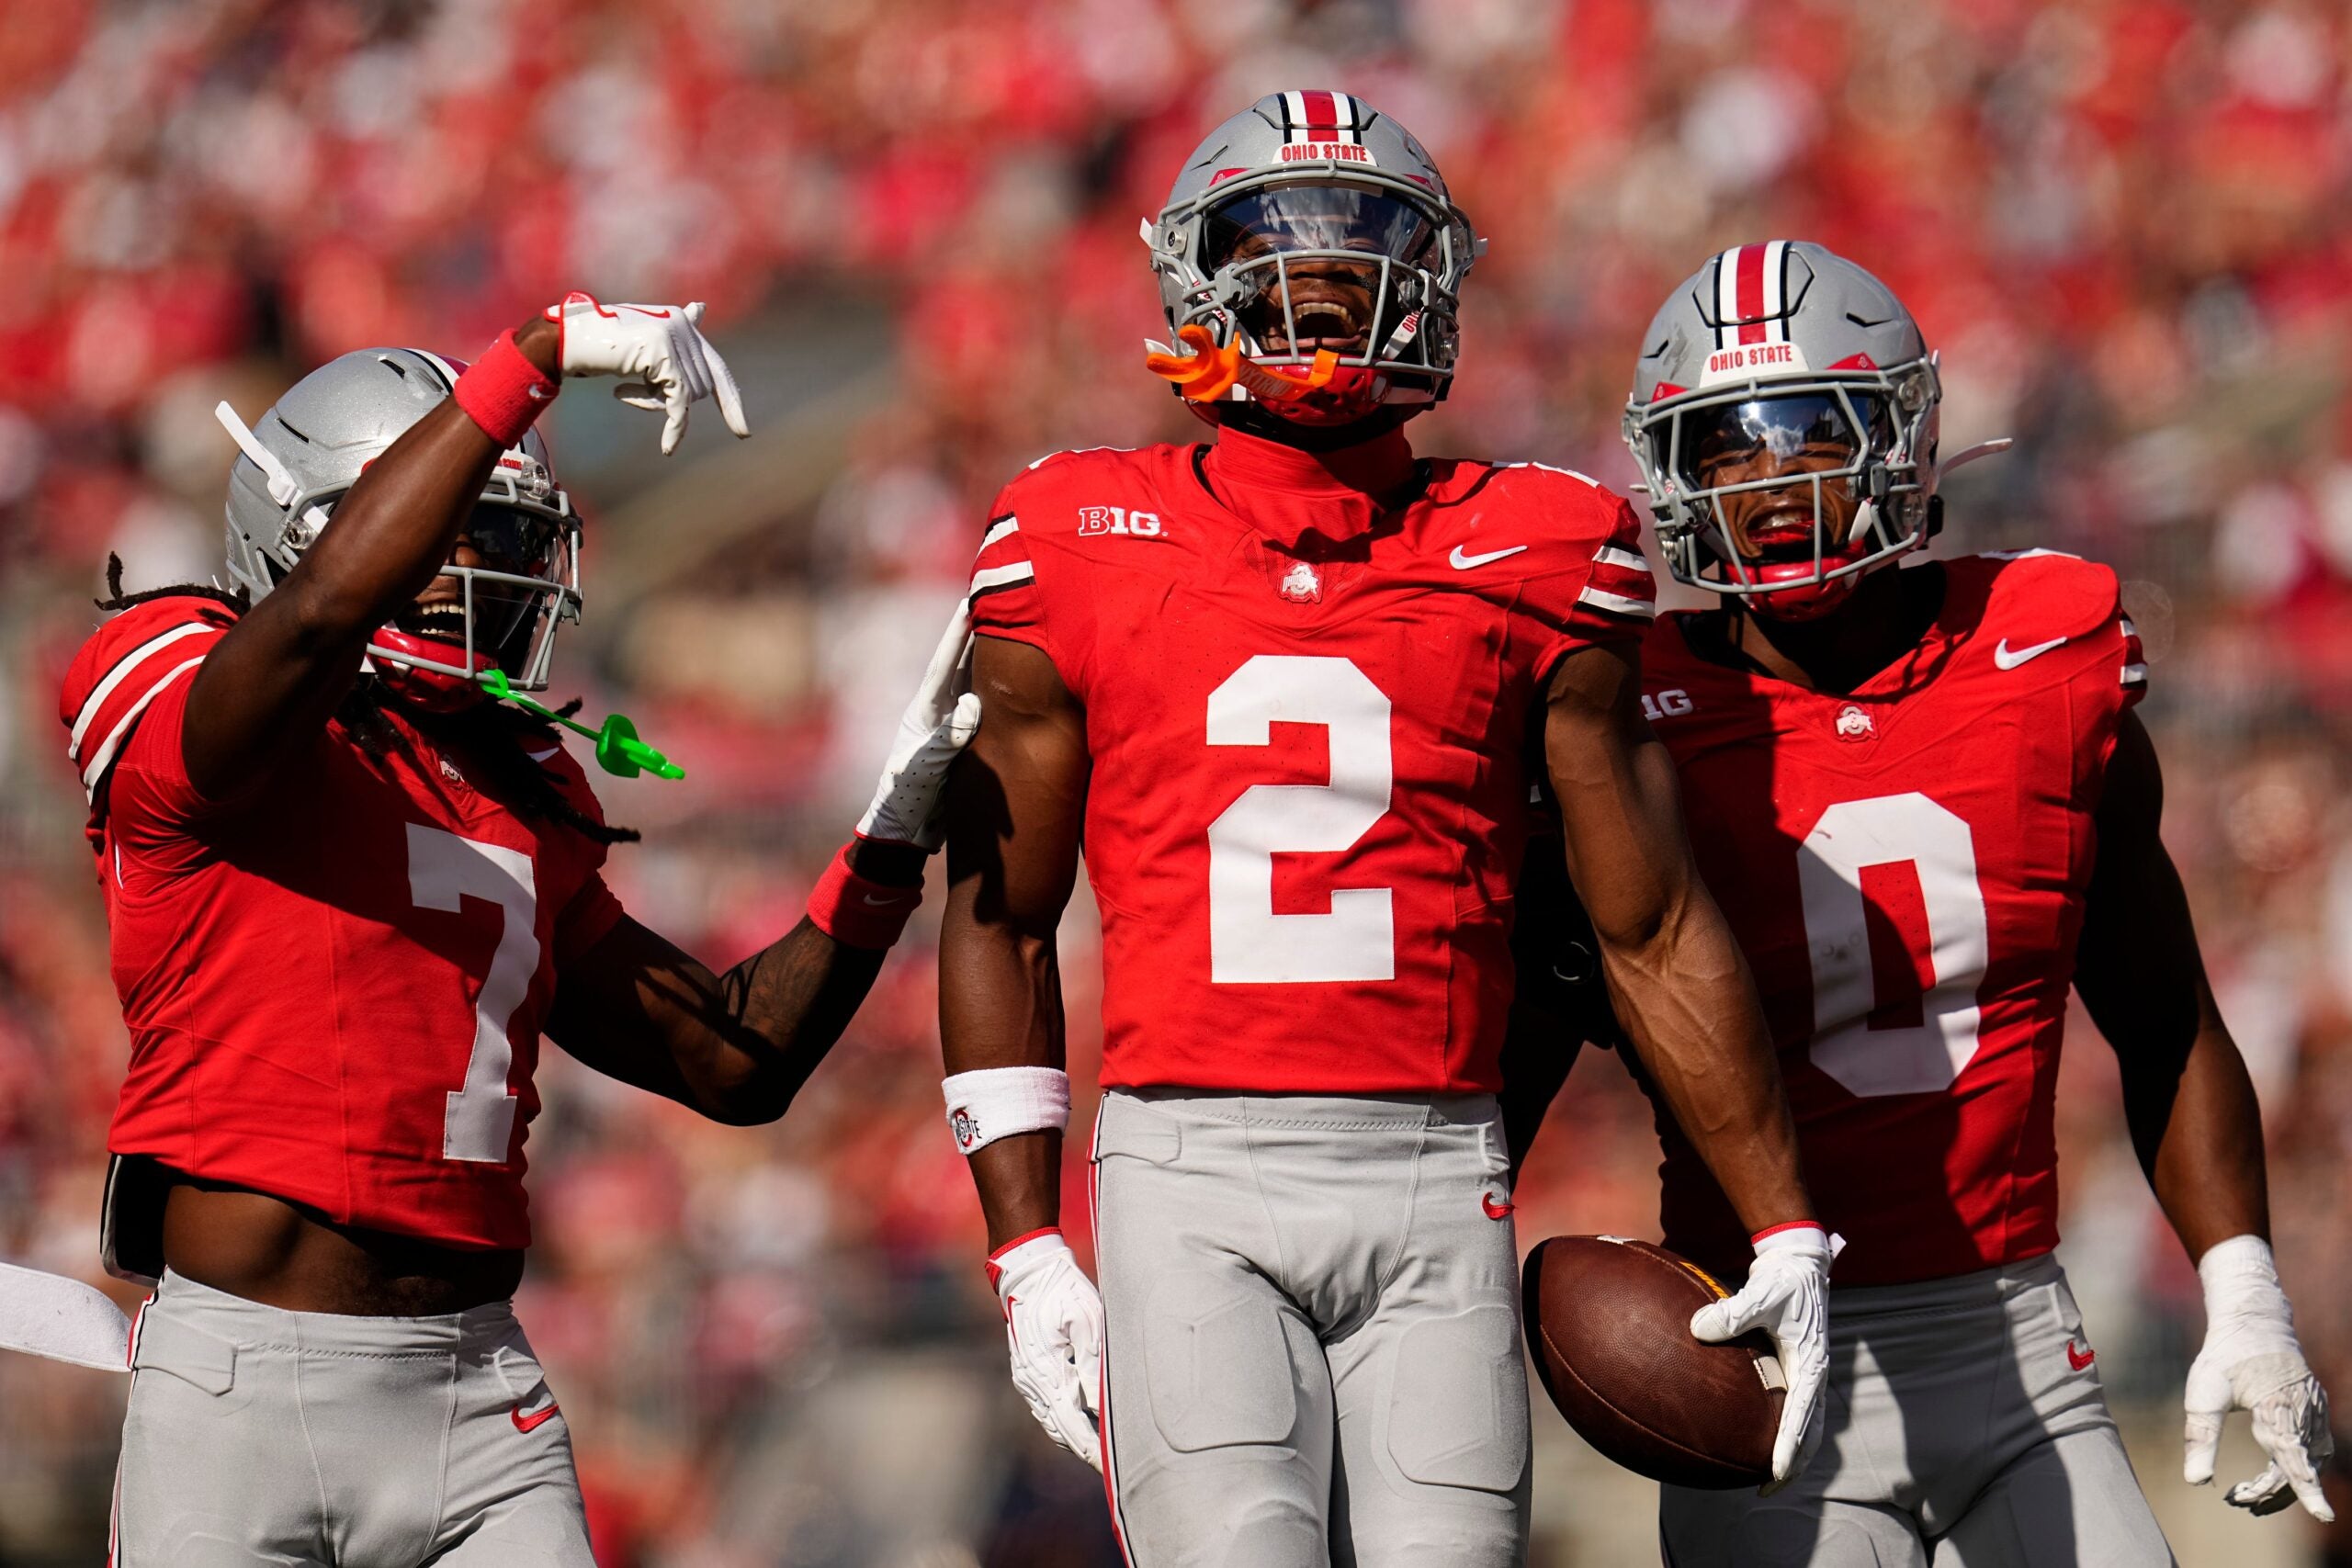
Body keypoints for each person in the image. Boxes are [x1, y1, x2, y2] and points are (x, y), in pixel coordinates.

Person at [936, 93, 1833, 1566]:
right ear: (1189, 279)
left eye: (1363, 260)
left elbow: (1649, 921)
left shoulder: (1543, 545)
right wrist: (1026, 1244)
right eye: (1281, 258)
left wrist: (1782, 1219)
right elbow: (1001, 913)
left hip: (1437, 1164)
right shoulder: (1074, 536)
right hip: (1189, 1170)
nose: (1318, 294)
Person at [58, 294, 979, 1567]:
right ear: (310, 529)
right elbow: (318, 624)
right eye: (447, 533)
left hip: (477, 1400)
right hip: (239, 1385)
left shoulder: (519, 785)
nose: (476, 573)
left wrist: (891, 835)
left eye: (501, 538)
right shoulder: (168, 660)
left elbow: (734, 1060)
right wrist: (532, 359)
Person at [1606, 240, 2335, 1563]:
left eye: (1808, 428)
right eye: (1724, 444)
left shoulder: (2050, 653)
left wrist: (2243, 1285)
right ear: (1670, 473)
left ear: (1902, 429)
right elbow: (1533, 1034)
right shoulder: (1629, 716)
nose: (1771, 477)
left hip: (2016, 1346)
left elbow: (2162, 1008)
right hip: (1766, 1361)